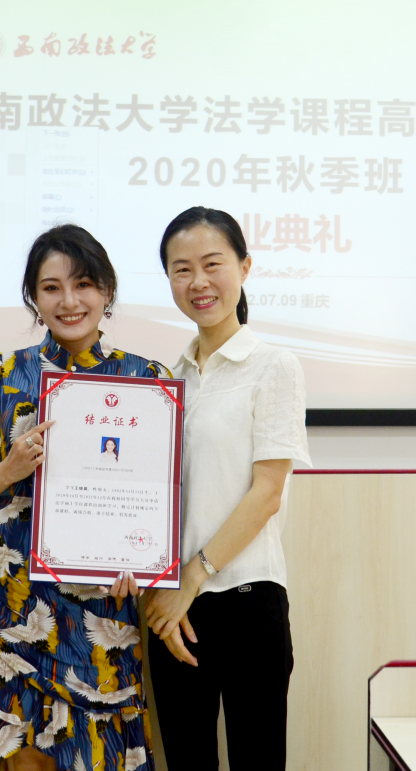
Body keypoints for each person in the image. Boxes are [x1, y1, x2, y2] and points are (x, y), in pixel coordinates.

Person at [0, 224, 168, 771]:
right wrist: (9, 469)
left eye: (84, 284)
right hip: (14, 601)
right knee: (13, 757)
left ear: (107, 291)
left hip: (100, 609)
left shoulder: (147, 380)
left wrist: (145, 562)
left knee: (96, 757)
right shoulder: (1, 373)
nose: (69, 301)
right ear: (33, 297)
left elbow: (159, 498)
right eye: (51, 288)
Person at [143, 207, 311, 770]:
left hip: (247, 601)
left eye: (212, 264)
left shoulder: (273, 366)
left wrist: (191, 579)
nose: (199, 282)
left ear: (244, 267)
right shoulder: (168, 379)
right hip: (174, 609)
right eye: (181, 269)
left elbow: (267, 493)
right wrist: (161, 593)